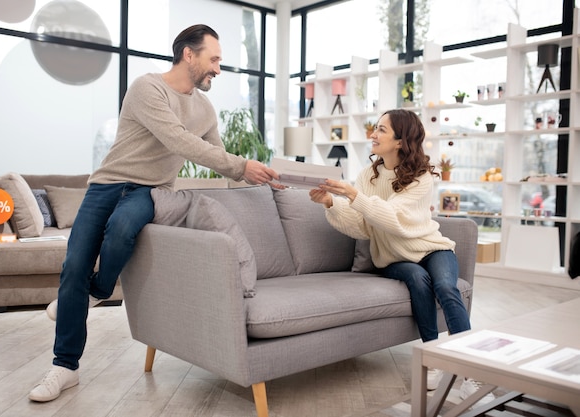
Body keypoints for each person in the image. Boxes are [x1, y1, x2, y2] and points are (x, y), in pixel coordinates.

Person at [28, 24, 279, 403]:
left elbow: (218, 157)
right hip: (107, 184)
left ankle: (96, 291)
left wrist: (259, 180)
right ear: (188, 55)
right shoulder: (148, 88)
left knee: (122, 229)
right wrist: (242, 165)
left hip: (150, 190)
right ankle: (65, 367)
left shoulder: (205, 108)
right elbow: (179, 140)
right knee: (74, 265)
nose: (218, 69)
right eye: (214, 59)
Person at [309, 109, 494, 405]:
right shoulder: (368, 176)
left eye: (381, 130)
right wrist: (331, 202)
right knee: (419, 281)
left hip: (433, 248)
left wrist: (353, 196)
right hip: (395, 258)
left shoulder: (420, 177)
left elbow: (394, 218)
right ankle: (433, 359)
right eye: (375, 128)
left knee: (447, 287)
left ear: (399, 141)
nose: (373, 134)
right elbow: (363, 226)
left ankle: (472, 372)